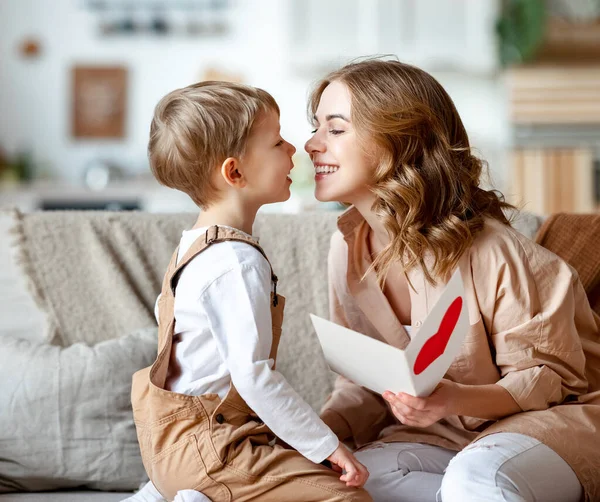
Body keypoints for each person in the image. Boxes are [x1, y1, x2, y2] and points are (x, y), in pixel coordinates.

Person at [305, 58, 600, 502]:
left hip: (549, 427)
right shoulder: (345, 250)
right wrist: (315, 434)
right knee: (340, 487)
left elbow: (545, 383)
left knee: (476, 478)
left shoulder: (495, 251)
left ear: (397, 142)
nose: (311, 144)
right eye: (316, 127)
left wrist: (449, 399)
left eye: (335, 129)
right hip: (434, 439)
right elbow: (362, 385)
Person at [127, 81, 371, 502]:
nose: (295, 148)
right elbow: (254, 377)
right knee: (347, 497)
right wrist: (328, 446)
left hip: (170, 445)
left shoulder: (194, 246)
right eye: (277, 142)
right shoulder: (237, 262)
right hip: (212, 449)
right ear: (235, 172)